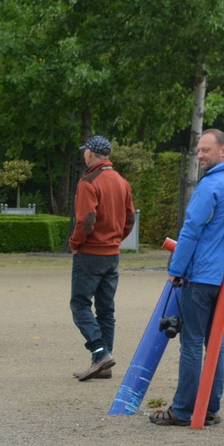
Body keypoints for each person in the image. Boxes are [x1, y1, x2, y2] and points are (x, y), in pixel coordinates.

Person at [150, 129, 224, 426]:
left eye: (205, 150)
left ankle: (184, 409)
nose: (199, 155)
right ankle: (210, 407)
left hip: (203, 275)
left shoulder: (211, 184)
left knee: (191, 342)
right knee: (217, 344)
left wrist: (176, 269)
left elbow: (191, 229)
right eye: (199, 149)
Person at [69, 136, 134, 380]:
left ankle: (100, 352)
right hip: (112, 253)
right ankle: (103, 364)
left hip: (90, 253)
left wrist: (75, 243)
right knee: (106, 310)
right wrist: (116, 239)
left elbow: (86, 220)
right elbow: (130, 219)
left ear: (90, 153)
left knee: (80, 304)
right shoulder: (121, 182)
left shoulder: (88, 182)